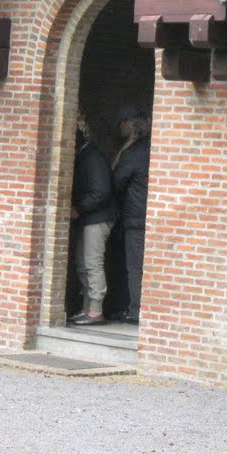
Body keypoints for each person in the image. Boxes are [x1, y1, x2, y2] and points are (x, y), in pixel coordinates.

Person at [69, 111, 115, 326]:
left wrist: (78, 208)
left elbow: (102, 192)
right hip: (90, 218)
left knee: (92, 263)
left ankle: (95, 311)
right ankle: (87, 308)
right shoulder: (87, 156)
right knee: (82, 263)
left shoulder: (92, 158)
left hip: (97, 218)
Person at [111, 105, 150, 325]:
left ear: (130, 124)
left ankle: (136, 312)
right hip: (149, 215)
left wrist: (124, 149)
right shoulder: (155, 148)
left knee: (135, 267)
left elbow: (116, 181)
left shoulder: (133, 153)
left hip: (135, 218)